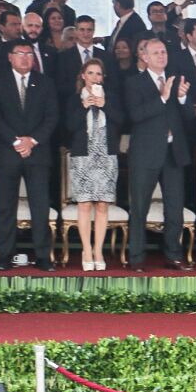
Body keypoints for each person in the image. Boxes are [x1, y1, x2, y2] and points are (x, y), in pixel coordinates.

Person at [125, 38, 192, 272]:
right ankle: (136, 259)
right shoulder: (135, 83)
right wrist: (162, 97)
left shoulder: (175, 80)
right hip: (145, 154)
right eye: (156, 53)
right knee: (140, 208)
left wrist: (182, 98)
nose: (162, 56)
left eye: (164, 51)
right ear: (145, 57)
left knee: (174, 208)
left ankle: (173, 256)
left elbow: (188, 119)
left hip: (173, 153)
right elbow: (135, 115)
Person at [0, 40, 59, 271]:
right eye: (20, 53)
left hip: (38, 154)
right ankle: (4, 255)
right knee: (5, 206)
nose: (25, 58)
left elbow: (52, 117)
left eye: (29, 54)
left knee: (40, 206)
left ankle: (43, 256)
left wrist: (32, 140)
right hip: (7, 152)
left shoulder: (46, 83)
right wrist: (16, 140)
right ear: (10, 57)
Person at [65, 57, 121, 271]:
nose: (94, 78)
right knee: (85, 204)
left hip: (106, 157)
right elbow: (68, 127)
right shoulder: (73, 99)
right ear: (83, 76)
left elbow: (122, 120)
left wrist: (104, 105)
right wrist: (83, 106)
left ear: (103, 78)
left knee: (102, 204)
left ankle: (98, 250)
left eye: (98, 74)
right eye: (90, 73)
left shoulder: (112, 98)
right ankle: (86, 250)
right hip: (83, 157)